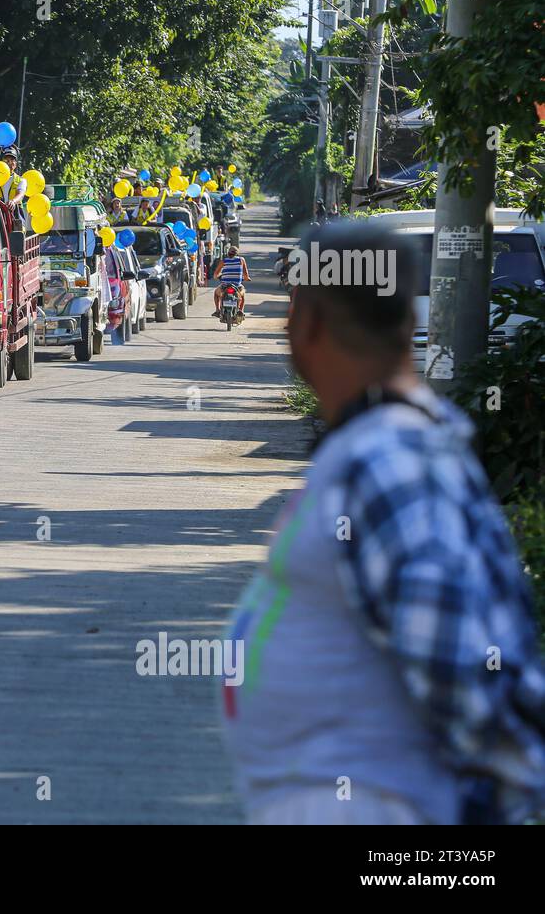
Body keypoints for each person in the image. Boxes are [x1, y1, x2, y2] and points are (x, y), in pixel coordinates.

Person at [226, 221, 545, 824]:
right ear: (404, 323)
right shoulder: (389, 447)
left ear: (306, 322)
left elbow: (466, 674)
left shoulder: (385, 461)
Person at [210, 244, 249, 321]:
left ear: (228, 253)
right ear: (237, 253)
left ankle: (217, 310)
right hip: (237, 286)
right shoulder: (241, 260)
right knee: (242, 295)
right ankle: (241, 310)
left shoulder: (224, 261)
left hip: (225, 286)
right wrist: (247, 278)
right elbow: (246, 275)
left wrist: (217, 277)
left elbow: (216, 274)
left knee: (216, 293)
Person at [0, 145, 27, 211]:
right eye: (7, 160)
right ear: (2, 162)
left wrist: (13, 201)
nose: (10, 162)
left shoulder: (21, 180)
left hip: (14, 212)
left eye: (12, 160)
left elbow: (21, 194)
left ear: (16, 164)